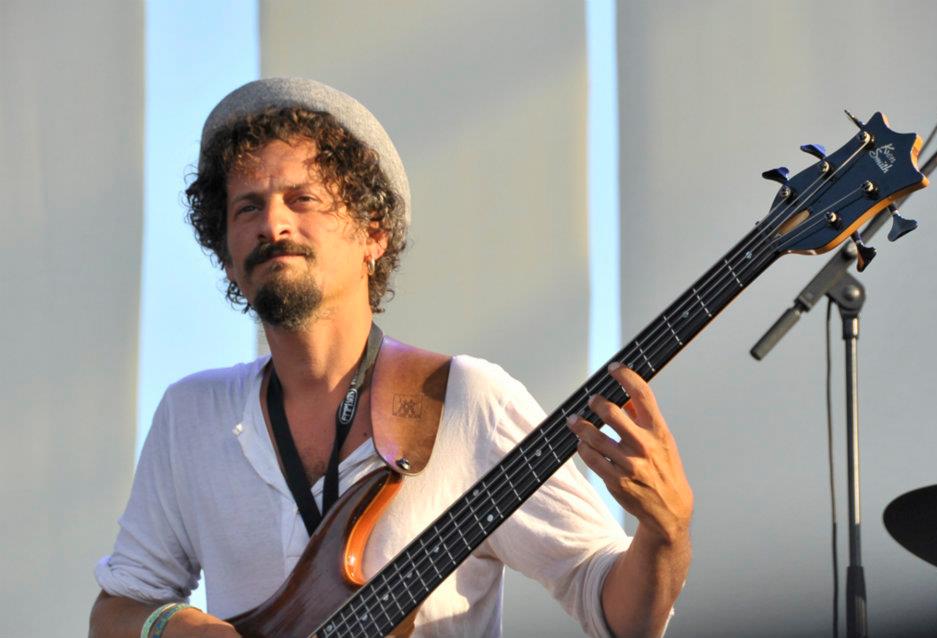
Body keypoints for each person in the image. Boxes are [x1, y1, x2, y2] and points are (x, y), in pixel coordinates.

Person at [88, 78, 693, 638]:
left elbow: (614, 610)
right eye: (247, 207)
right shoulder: (191, 415)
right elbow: (117, 610)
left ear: (373, 235)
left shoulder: (468, 401)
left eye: (302, 198)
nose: (273, 223)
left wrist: (665, 534)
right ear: (226, 255)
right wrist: (178, 628)